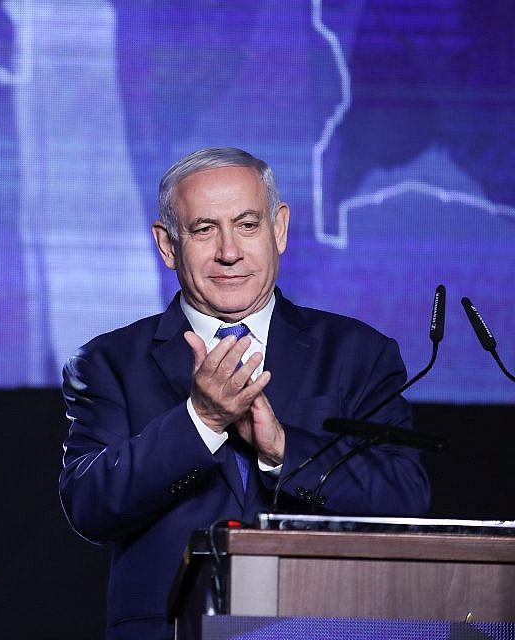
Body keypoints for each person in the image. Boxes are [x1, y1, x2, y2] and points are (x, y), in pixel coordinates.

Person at [58, 147, 431, 640]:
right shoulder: (107, 362)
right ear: (168, 244)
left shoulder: (358, 354)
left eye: (248, 225)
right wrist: (201, 421)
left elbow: (404, 496)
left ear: (279, 229)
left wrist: (282, 448)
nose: (229, 251)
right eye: (204, 229)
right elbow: (89, 506)